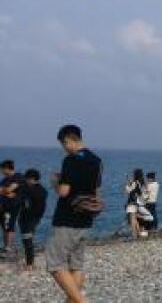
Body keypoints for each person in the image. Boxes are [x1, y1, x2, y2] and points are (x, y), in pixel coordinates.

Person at [46, 124, 102, 303]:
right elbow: (96, 190)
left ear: (68, 139)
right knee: (75, 265)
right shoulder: (96, 160)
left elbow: (64, 191)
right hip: (86, 216)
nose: (64, 148)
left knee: (55, 263)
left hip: (67, 217)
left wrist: (55, 182)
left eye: (63, 144)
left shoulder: (71, 160)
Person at [19, 168, 47, 270]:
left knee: (27, 240)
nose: (26, 181)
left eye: (27, 179)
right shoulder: (42, 190)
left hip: (28, 218)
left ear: (31, 179)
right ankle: (30, 261)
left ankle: (30, 264)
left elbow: (26, 203)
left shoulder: (31, 190)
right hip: (33, 218)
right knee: (28, 239)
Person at [0, 160, 25, 253]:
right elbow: (6, 191)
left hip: (13, 205)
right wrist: (6, 191)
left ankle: (9, 247)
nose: (1, 171)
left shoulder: (18, 177)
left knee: (9, 225)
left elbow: (10, 189)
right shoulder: (5, 179)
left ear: (7, 168)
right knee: (4, 225)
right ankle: (6, 246)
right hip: (3, 205)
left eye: (2, 169)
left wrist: (5, 191)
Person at [125, 168, 148, 238]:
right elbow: (140, 192)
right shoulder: (142, 183)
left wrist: (127, 184)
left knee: (132, 219)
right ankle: (138, 233)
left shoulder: (135, 182)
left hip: (131, 202)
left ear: (135, 175)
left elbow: (129, 191)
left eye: (133, 174)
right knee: (135, 219)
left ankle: (134, 234)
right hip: (138, 202)